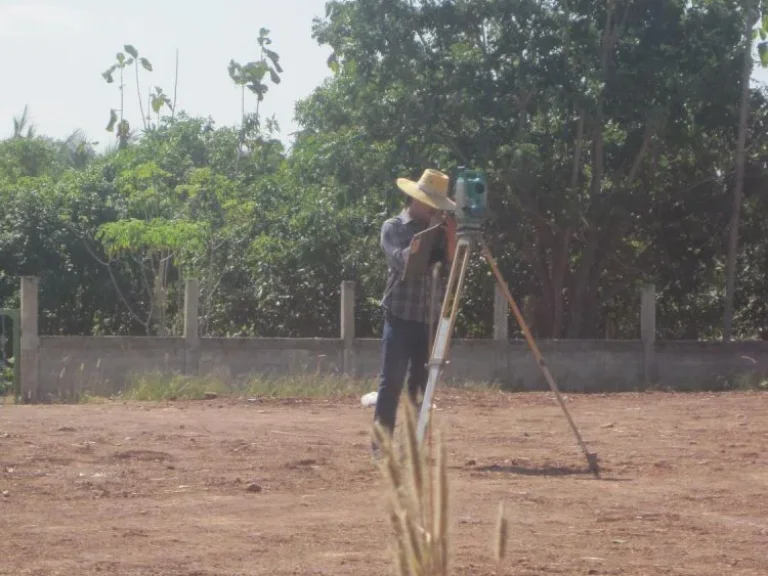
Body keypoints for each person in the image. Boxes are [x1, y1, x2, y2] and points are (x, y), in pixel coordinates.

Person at [372, 168, 457, 452]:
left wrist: (449, 238)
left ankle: (412, 448)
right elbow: (401, 263)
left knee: (419, 388)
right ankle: (381, 450)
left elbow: (452, 269)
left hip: (428, 319)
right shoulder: (393, 227)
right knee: (391, 384)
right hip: (399, 316)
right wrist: (427, 235)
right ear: (417, 200)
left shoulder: (441, 231)